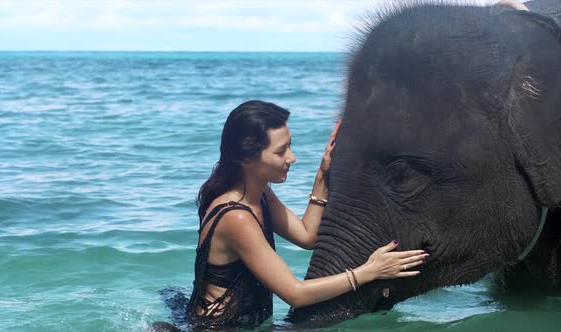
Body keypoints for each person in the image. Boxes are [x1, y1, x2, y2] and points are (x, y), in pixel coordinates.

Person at [179, 100, 428, 329]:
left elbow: (308, 236)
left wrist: (323, 174)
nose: (292, 157)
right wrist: (369, 272)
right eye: (280, 152)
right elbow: (294, 293)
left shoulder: (260, 193)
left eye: (290, 145)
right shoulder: (236, 216)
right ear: (246, 159)